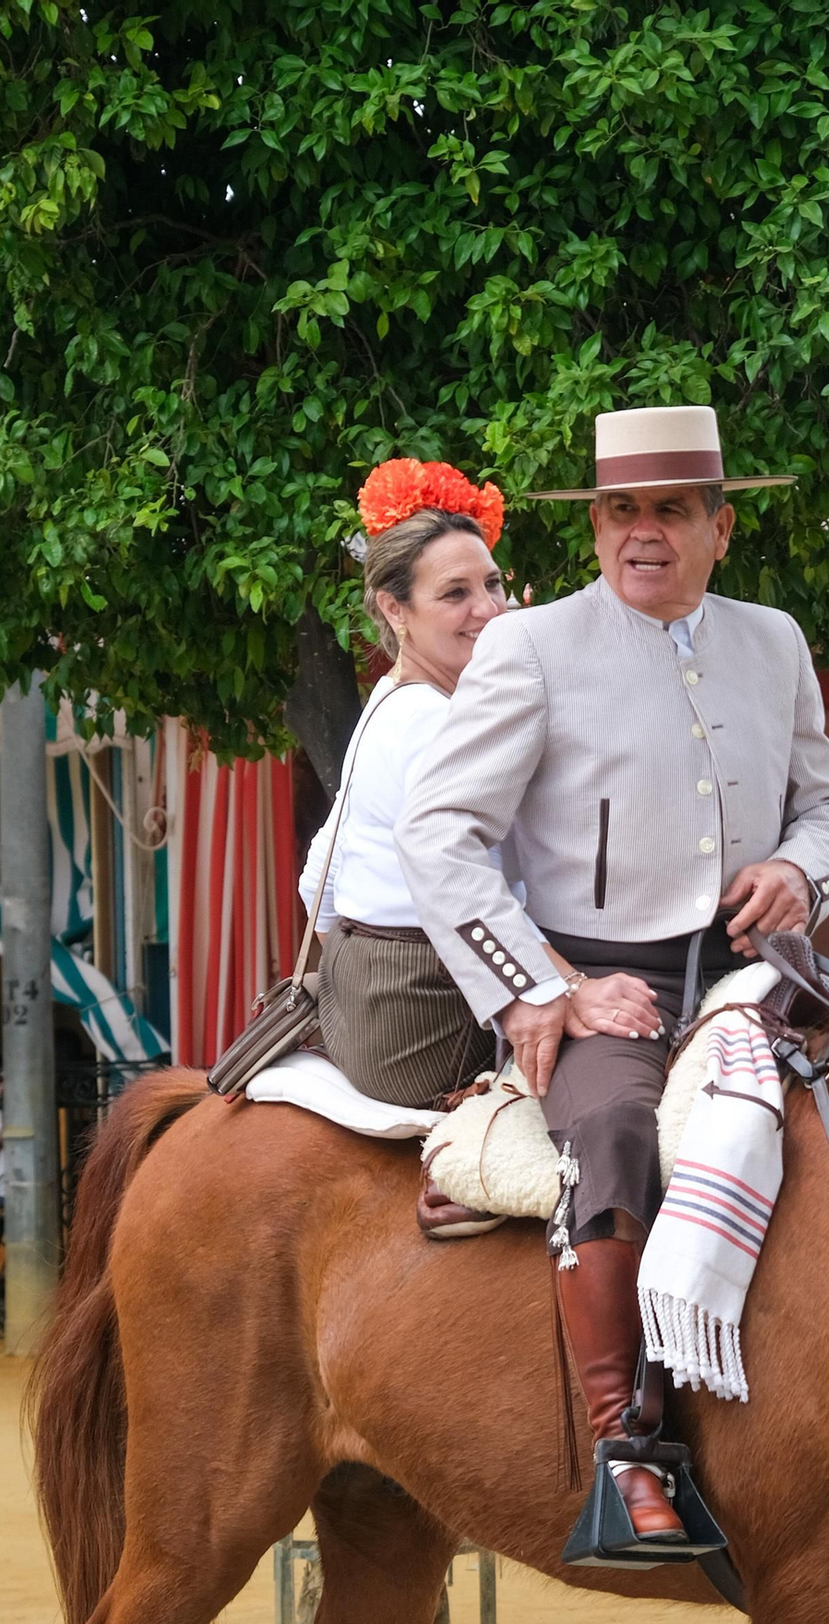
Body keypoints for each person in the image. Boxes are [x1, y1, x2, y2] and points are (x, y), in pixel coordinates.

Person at [396, 404, 829, 1543]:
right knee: (611, 1133)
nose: (640, 532)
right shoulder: (532, 645)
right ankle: (627, 1445)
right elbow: (438, 833)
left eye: (669, 509)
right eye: (619, 511)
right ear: (596, 525)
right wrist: (541, 991)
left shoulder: (776, 640)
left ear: (721, 525)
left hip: (760, 966)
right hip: (601, 978)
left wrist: (801, 871)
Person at [299, 460, 660, 1232]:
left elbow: (314, 881)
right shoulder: (438, 722)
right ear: (396, 610)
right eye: (455, 595)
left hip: (363, 993)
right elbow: (492, 895)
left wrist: (349, 963)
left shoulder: (389, 703)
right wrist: (569, 990)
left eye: (493, 585)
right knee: (616, 1073)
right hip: (422, 1015)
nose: (489, 610)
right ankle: (478, 1165)